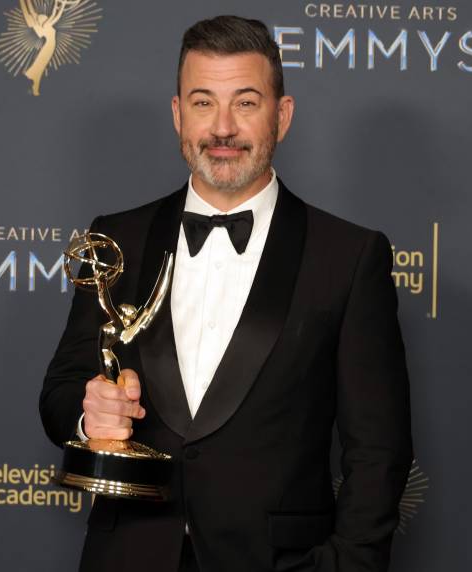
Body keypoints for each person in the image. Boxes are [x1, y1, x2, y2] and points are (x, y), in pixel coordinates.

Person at [41, 15, 412, 572]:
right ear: (176, 115)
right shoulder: (117, 239)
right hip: (128, 556)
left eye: (245, 102)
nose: (222, 128)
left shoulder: (349, 256)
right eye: (202, 103)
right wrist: (89, 414)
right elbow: (62, 391)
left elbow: (379, 448)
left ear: (281, 117)